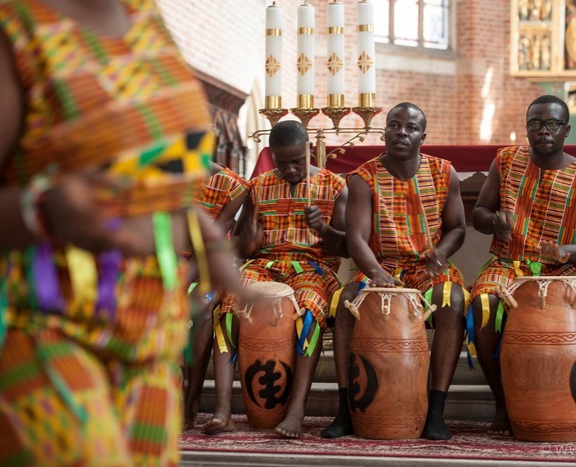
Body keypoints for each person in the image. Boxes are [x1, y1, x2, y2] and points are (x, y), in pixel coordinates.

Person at [0, 0, 247, 464]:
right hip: (40, 321)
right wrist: (46, 208)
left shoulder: (143, 11)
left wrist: (199, 228)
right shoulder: (7, 26)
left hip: (150, 331)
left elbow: (157, 170)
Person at [469, 95, 576, 437]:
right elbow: (479, 213)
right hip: (509, 263)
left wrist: (565, 251)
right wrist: (493, 222)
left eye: (552, 124)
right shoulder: (506, 160)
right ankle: (503, 400)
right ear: (527, 128)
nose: (543, 131)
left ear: (566, 130)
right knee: (482, 306)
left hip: (565, 268)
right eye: (535, 124)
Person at [322, 102, 467, 441]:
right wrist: (375, 273)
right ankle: (345, 409)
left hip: (428, 268)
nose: (401, 132)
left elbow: (458, 227)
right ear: (384, 130)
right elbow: (356, 238)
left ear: (422, 137)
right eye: (394, 125)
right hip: (380, 266)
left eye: (410, 127)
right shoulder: (363, 177)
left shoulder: (445, 172)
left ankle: (435, 410)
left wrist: (441, 253)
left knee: (453, 301)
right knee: (346, 303)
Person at [202, 120, 348, 439]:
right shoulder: (259, 185)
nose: (290, 169)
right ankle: (223, 411)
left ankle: (296, 412)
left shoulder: (334, 186)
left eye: (296, 161)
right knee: (229, 303)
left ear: (308, 150)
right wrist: (249, 240)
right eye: (282, 163)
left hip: (314, 267)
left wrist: (324, 229)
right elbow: (240, 248)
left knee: (309, 310)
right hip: (265, 263)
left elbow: (348, 248)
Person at [183, 165, 248, 430]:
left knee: (202, 304)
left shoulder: (234, 187)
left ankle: (191, 399)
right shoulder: (156, 173)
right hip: (159, 260)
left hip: (205, 265)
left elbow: (210, 243)